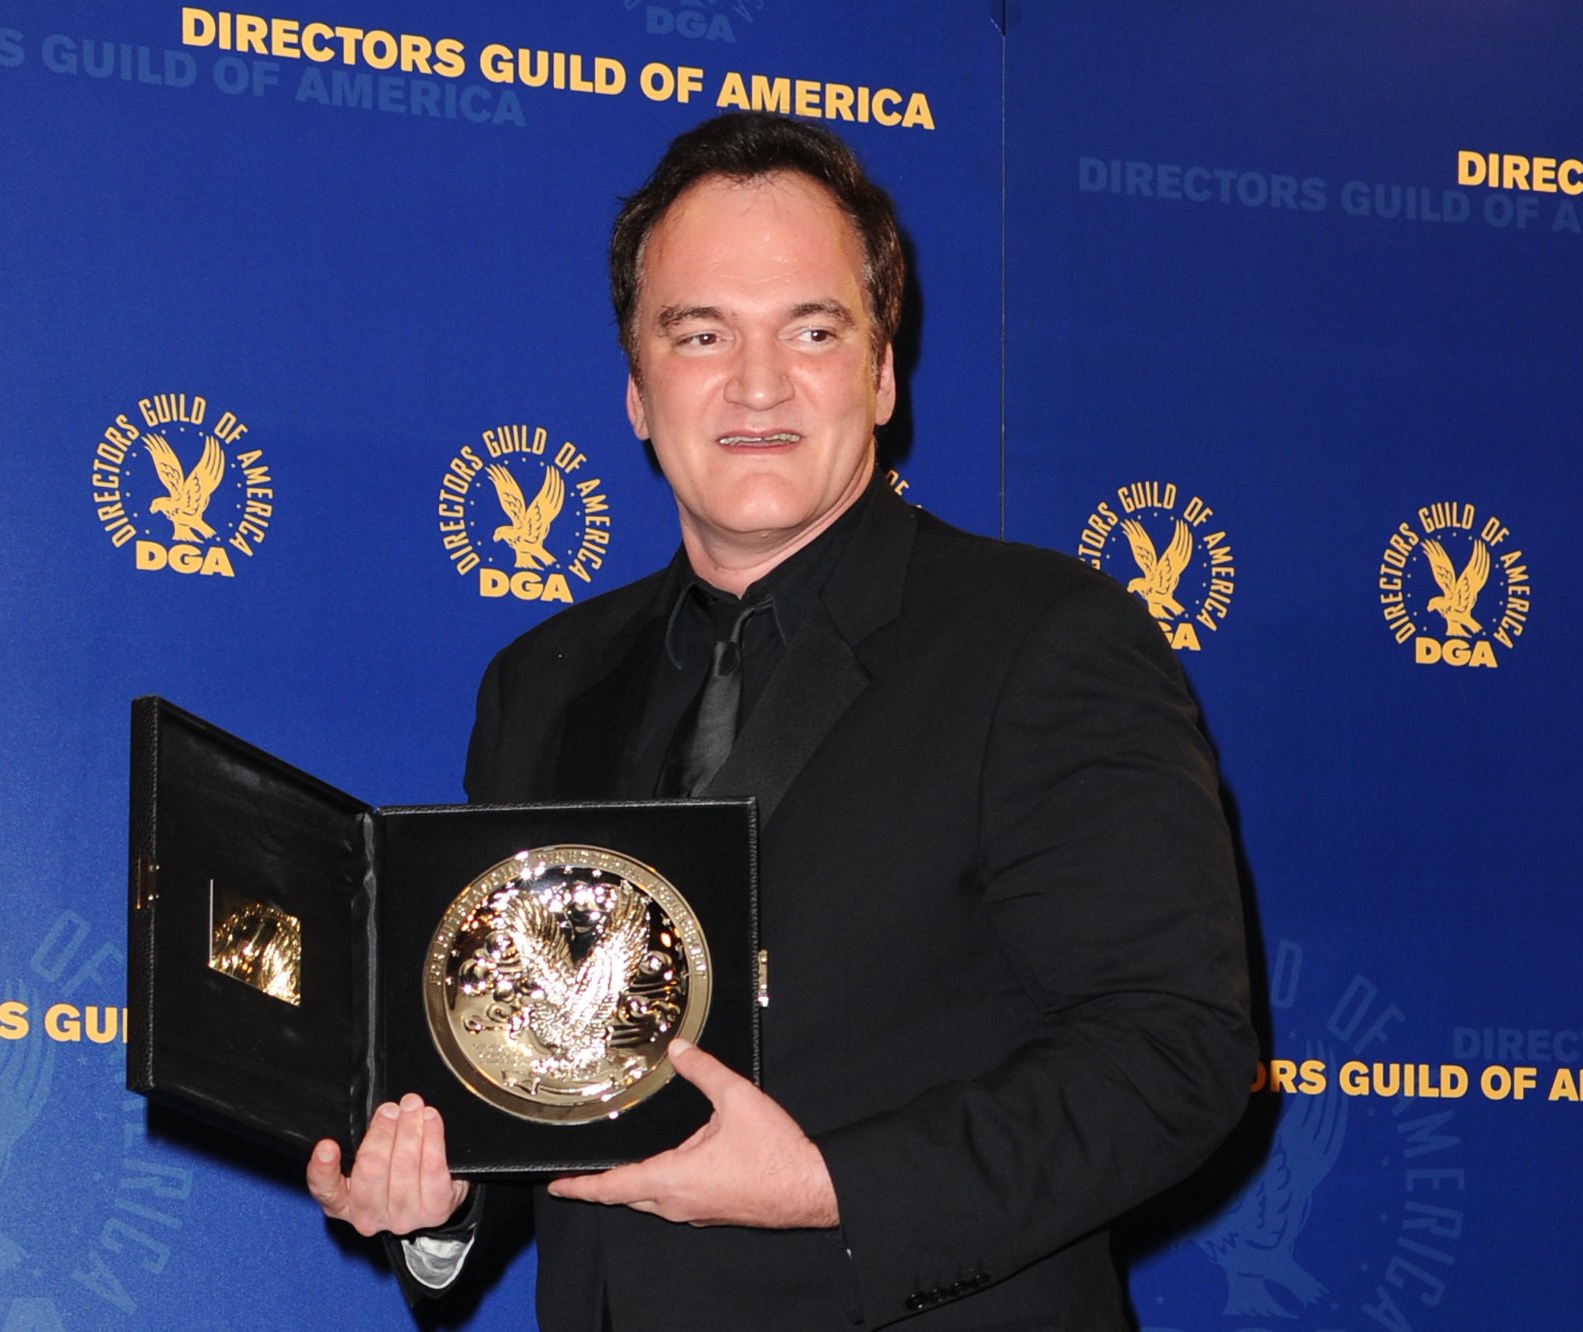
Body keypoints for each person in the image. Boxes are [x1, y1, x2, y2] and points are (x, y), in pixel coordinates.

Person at [308, 112, 1255, 1330]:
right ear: (638, 391)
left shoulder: (1042, 640)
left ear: (879, 372)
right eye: (700, 335)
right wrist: (435, 1204)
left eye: (810, 330)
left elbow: (1173, 1054)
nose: (756, 385)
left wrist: (826, 1185)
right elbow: (532, 1070)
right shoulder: (538, 681)